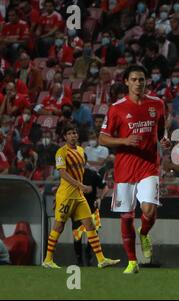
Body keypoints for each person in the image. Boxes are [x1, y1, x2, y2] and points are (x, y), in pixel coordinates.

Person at [99, 65, 171, 274]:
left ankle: (145, 232)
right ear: (127, 82)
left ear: (146, 81)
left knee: (149, 209)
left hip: (149, 166)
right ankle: (132, 261)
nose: (138, 83)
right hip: (124, 169)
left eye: (141, 79)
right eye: (134, 79)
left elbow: (160, 131)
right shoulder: (117, 108)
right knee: (127, 216)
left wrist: (164, 140)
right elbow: (102, 138)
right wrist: (124, 140)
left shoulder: (157, 104)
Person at [42, 124, 120, 269]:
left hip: (79, 196)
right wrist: (80, 185)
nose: (73, 136)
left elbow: (80, 171)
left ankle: (101, 259)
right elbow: (63, 174)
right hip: (66, 196)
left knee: (90, 224)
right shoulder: (61, 152)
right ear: (65, 136)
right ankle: (48, 259)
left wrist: (81, 187)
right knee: (58, 227)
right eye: (70, 133)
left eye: (75, 133)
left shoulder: (80, 150)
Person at [72, 153, 107, 266]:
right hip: (77, 210)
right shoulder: (71, 176)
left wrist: (100, 198)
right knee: (77, 237)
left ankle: (88, 253)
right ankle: (79, 259)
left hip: (92, 209)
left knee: (93, 236)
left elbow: (105, 187)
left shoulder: (92, 174)